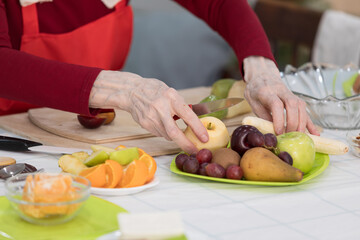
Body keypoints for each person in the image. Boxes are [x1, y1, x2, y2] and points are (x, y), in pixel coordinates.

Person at [0, 0, 319, 154]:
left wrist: (261, 69)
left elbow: (219, 4)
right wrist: (124, 89)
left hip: (86, 140)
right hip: (9, 141)